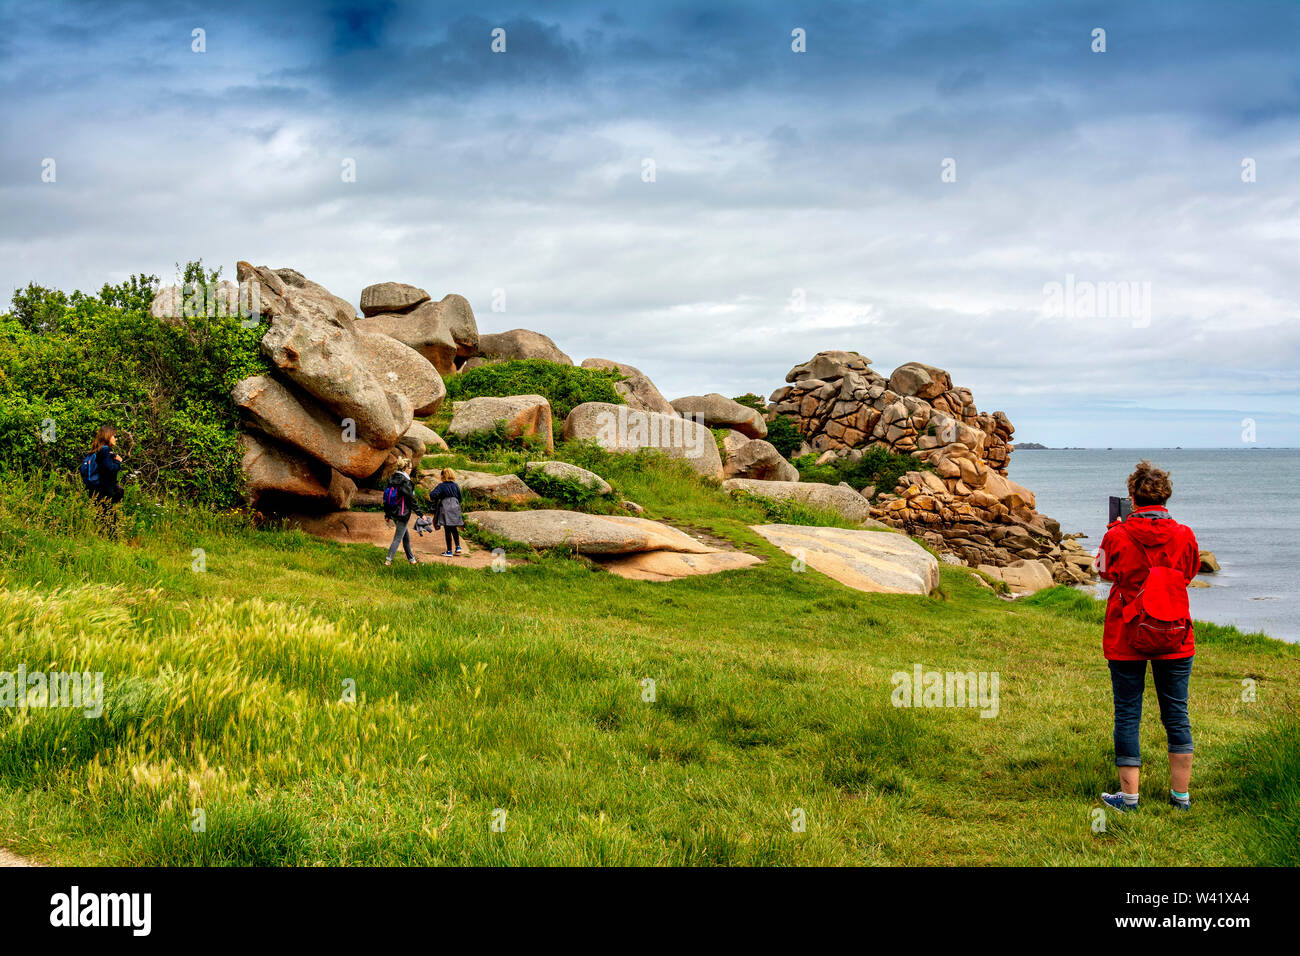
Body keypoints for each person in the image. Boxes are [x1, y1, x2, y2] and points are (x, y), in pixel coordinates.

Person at [1095, 461, 1200, 813]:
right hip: (1173, 631)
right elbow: (1188, 573)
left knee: (1127, 712)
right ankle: (1180, 798)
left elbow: (1105, 572)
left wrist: (1115, 533)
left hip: (1127, 631)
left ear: (1133, 498)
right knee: (1176, 713)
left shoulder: (1116, 535)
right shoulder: (1184, 534)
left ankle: (1129, 799)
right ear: (1165, 496)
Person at [382, 458, 422, 566]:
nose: (411, 470)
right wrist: (420, 514)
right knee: (397, 539)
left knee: (405, 537)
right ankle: (388, 560)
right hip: (403, 514)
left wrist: (387, 514)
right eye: (410, 468)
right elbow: (411, 500)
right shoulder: (406, 482)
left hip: (394, 512)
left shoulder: (392, 478)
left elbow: (386, 498)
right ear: (405, 468)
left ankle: (411, 559)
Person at [82, 425, 124, 505]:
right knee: (108, 515)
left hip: (95, 490)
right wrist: (118, 461)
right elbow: (109, 469)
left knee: (98, 515)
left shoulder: (96, 450)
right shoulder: (105, 450)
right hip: (105, 491)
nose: (116, 439)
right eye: (114, 436)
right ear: (107, 436)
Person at [429, 468, 465, 557]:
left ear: (443, 476)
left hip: (445, 507)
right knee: (454, 528)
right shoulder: (456, 485)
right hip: (455, 507)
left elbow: (432, 495)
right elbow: (460, 498)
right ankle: (458, 547)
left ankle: (449, 551)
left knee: (447, 529)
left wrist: (439, 497)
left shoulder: (441, 486)